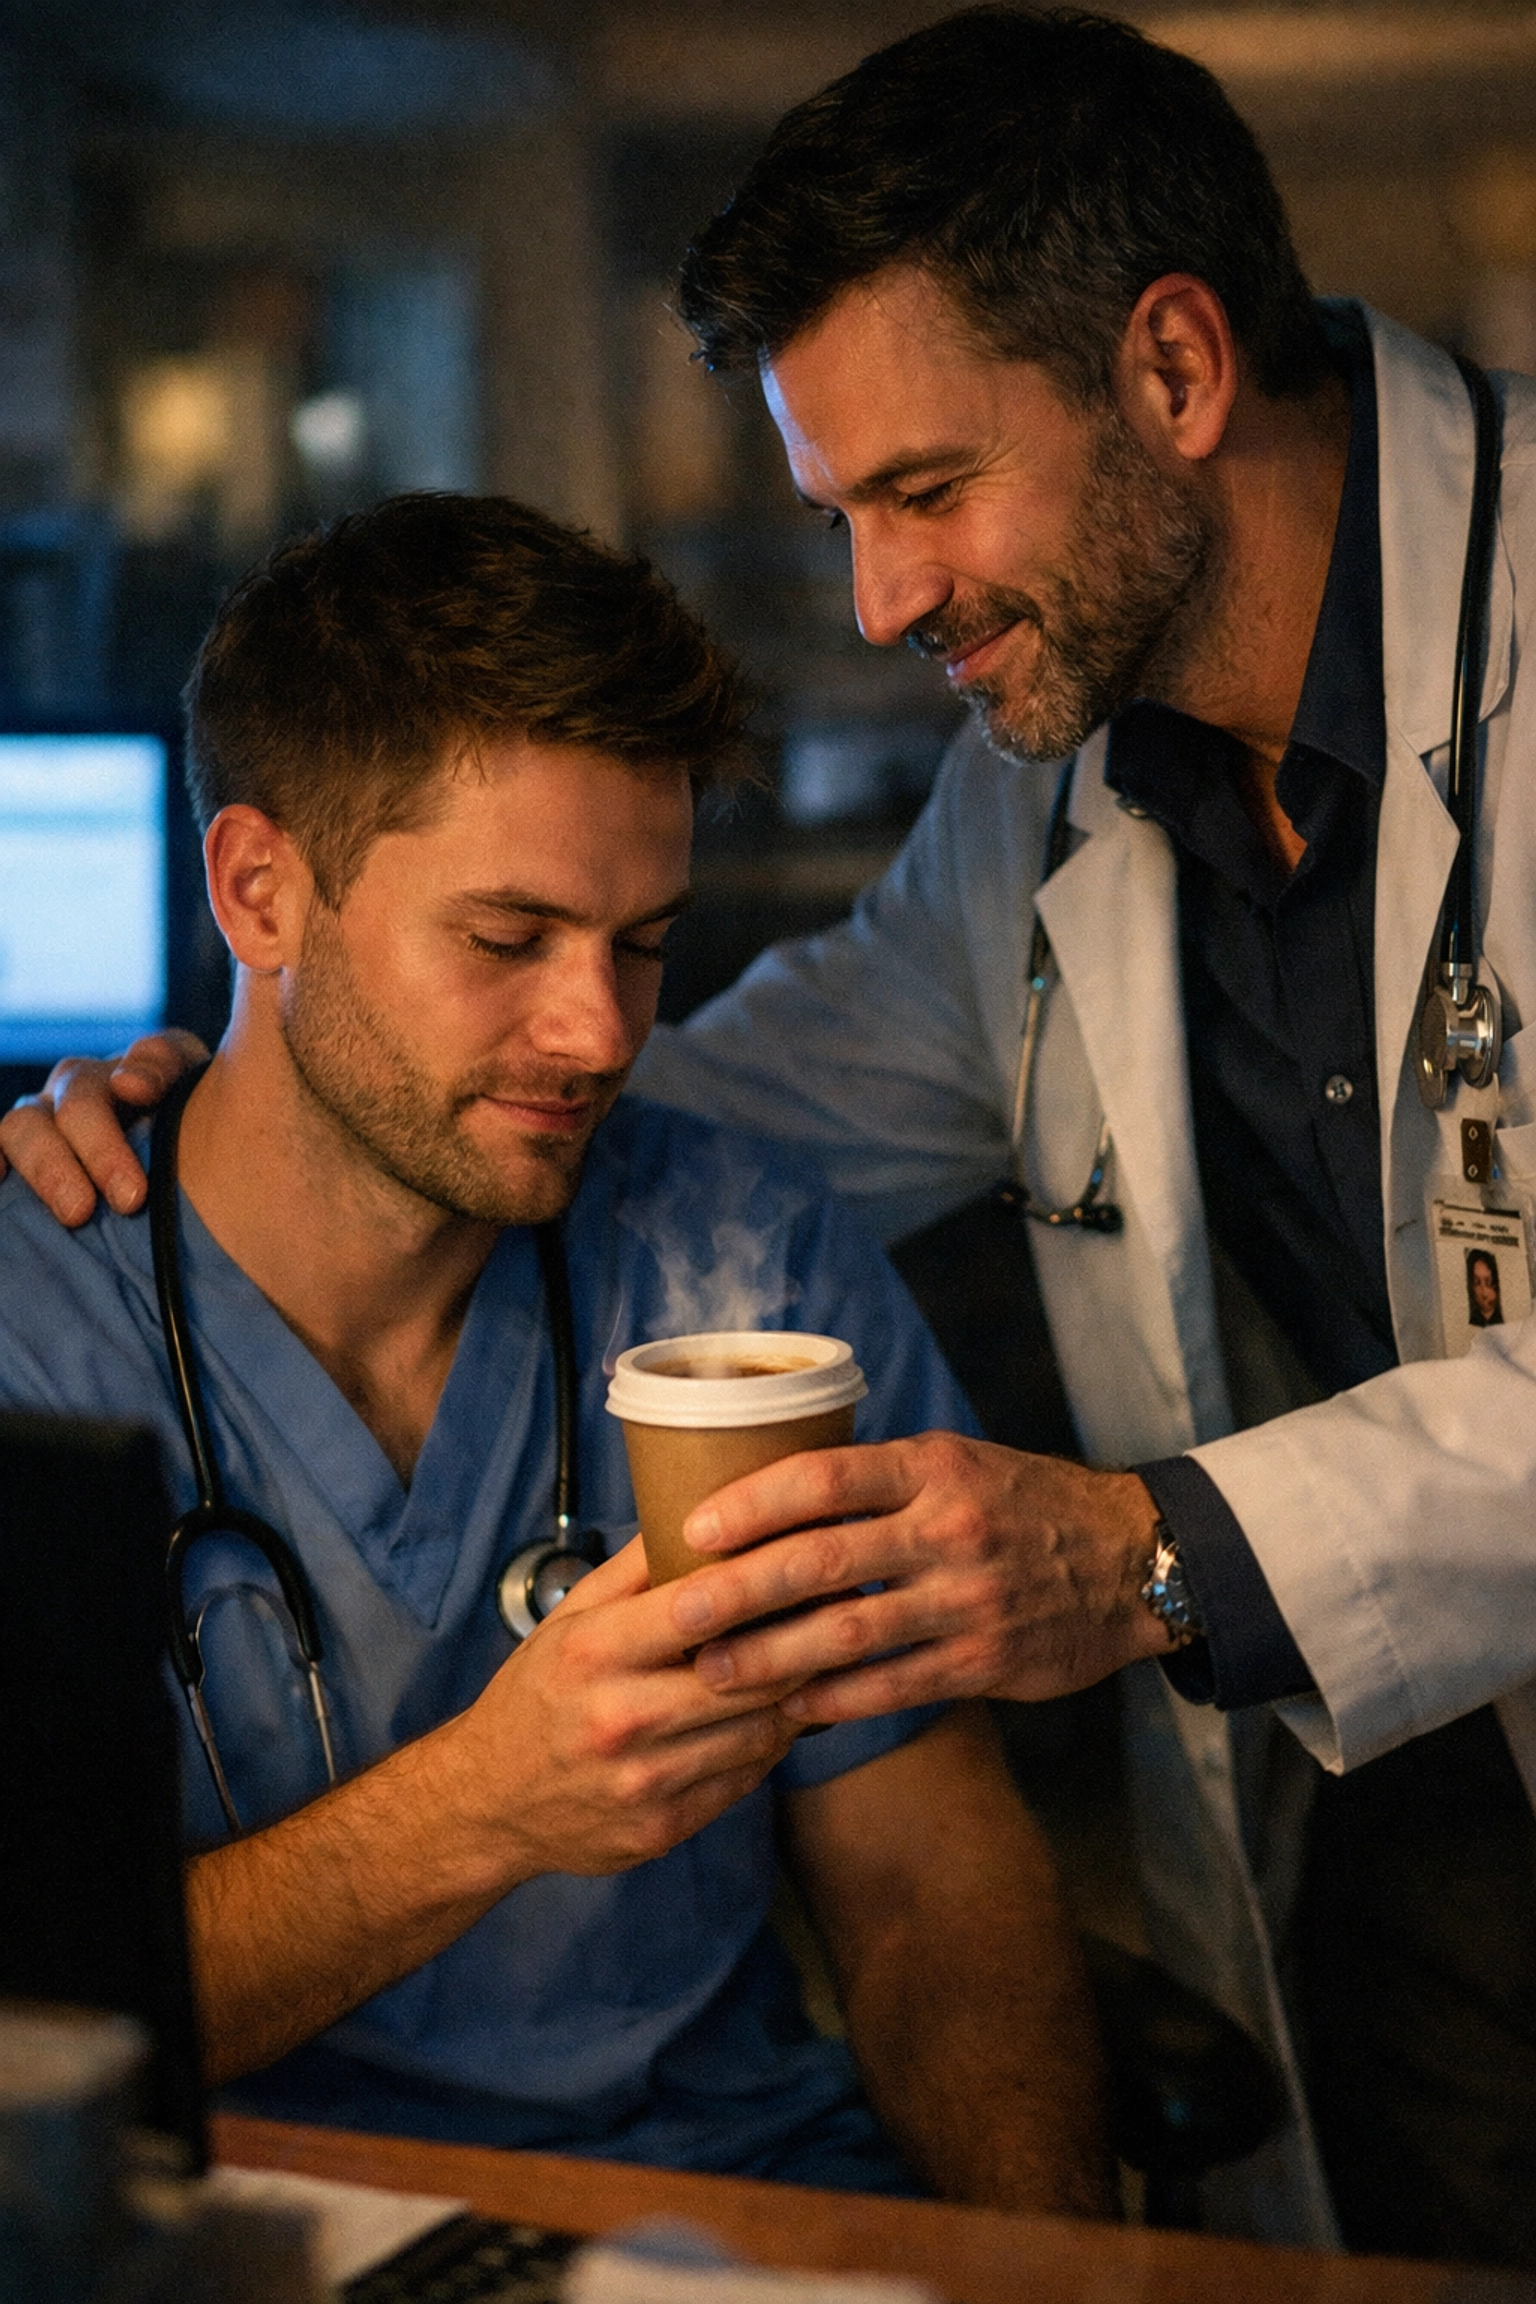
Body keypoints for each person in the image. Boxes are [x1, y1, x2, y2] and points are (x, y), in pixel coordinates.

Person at [12, 4, 1536, 2259]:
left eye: (923, 494)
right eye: (843, 515)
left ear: (1178, 373)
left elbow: (935, 1886)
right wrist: (242, 1080)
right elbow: (632, 1111)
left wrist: (1145, 1550)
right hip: (1373, 1839)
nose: (878, 600)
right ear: (263, 887)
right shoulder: (1047, 787)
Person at [0, 492, 1111, 2216]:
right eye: (506, 939)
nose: (599, 1031)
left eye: (645, 943)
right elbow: (37, 2021)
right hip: (261, 2226)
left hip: (725, 2220)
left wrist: (1040, 2263)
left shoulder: (746, 1263)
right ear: (259, 890)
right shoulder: (36, 1331)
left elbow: (925, 1888)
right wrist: (489, 1804)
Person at [1467, 1249, 1504, 1327]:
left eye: (1488, 1283)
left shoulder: (1505, 1319)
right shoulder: (1471, 1320)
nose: (1484, 1292)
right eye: (1477, 1283)